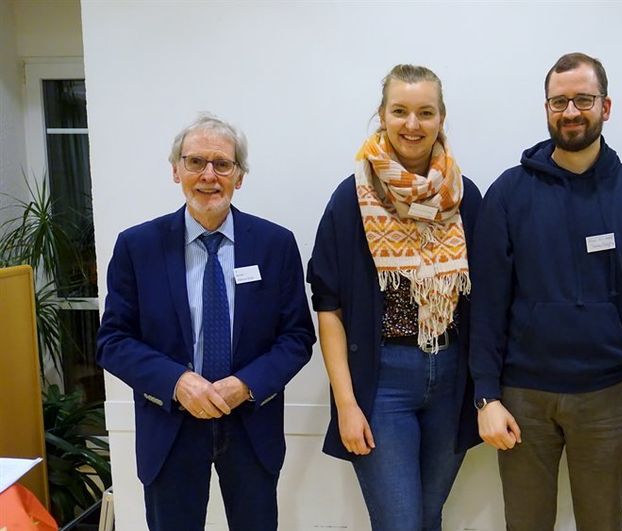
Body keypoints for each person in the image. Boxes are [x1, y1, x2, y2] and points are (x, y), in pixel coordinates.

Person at [470, 52, 622, 531]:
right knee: (525, 524)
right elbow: (487, 305)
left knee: (603, 524)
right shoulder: (508, 193)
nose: (570, 112)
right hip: (522, 397)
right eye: (559, 101)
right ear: (545, 109)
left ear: (606, 107)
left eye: (583, 99)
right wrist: (485, 395)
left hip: (608, 398)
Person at [96, 113, 315, 530]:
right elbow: (113, 341)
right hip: (171, 425)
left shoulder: (275, 245)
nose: (208, 175)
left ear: (240, 175)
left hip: (251, 424)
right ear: (176, 169)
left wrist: (245, 384)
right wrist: (178, 382)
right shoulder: (137, 247)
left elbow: (297, 337)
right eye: (195, 162)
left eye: (222, 164)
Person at [307, 64, 482, 531]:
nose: (412, 124)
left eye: (425, 112)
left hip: (452, 380)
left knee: (428, 517)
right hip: (382, 383)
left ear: (442, 117)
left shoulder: (465, 197)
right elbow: (329, 307)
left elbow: (486, 301)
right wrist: (347, 404)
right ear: (381, 116)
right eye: (400, 111)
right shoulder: (352, 200)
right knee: (399, 522)